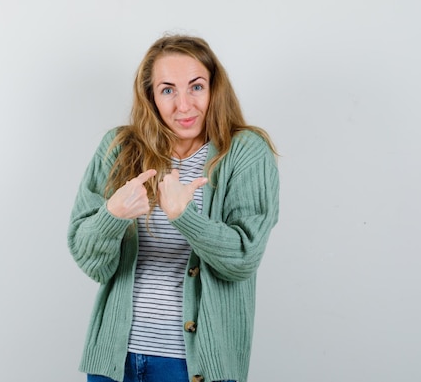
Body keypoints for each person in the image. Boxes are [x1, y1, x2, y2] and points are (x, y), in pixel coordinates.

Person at [67, 34, 279, 382]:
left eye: (196, 87)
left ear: (214, 88)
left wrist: (185, 218)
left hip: (194, 366)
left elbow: (243, 258)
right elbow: (93, 264)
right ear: (151, 96)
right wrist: (112, 217)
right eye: (168, 90)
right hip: (115, 361)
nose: (184, 105)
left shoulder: (245, 151)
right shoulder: (120, 148)